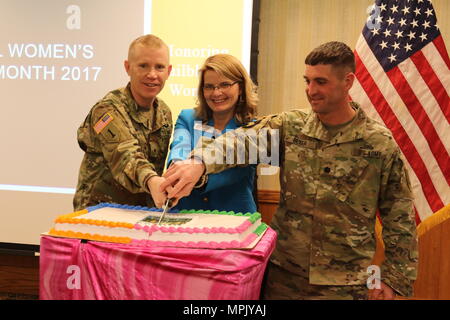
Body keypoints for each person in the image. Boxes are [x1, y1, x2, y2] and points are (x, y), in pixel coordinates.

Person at [160, 41, 418, 300]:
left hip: (347, 284)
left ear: (348, 81)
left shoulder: (378, 144)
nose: (311, 90)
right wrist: (199, 162)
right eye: (307, 81)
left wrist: (393, 279)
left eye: (321, 82)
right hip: (284, 278)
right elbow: (239, 141)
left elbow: (400, 216)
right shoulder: (291, 128)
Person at [73, 34, 173, 211]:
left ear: (169, 71)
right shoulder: (106, 111)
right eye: (143, 66)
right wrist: (152, 181)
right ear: (128, 67)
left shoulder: (164, 113)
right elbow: (126, 156)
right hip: (98, 215)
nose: (152, 74)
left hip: (140, 214)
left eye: (159, 67)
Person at [167, 54, 258, 213]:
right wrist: (178, 169)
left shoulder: (254, 128)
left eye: (224, 84)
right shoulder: (187, 118)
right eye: (209, 86)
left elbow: (235, 172)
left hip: (235, 220)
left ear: (241, 87)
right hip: (185, 216)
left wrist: (197, 176)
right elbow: (177, 153)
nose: (216, 93)